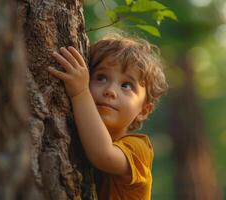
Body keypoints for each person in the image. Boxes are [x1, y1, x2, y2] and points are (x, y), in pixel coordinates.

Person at [47, 34, 167, 200]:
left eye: (126, 85)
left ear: (144, 111)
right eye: (101, 77)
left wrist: (80, 93)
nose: (110, 91)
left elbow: (103, 154)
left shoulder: (139, 149)